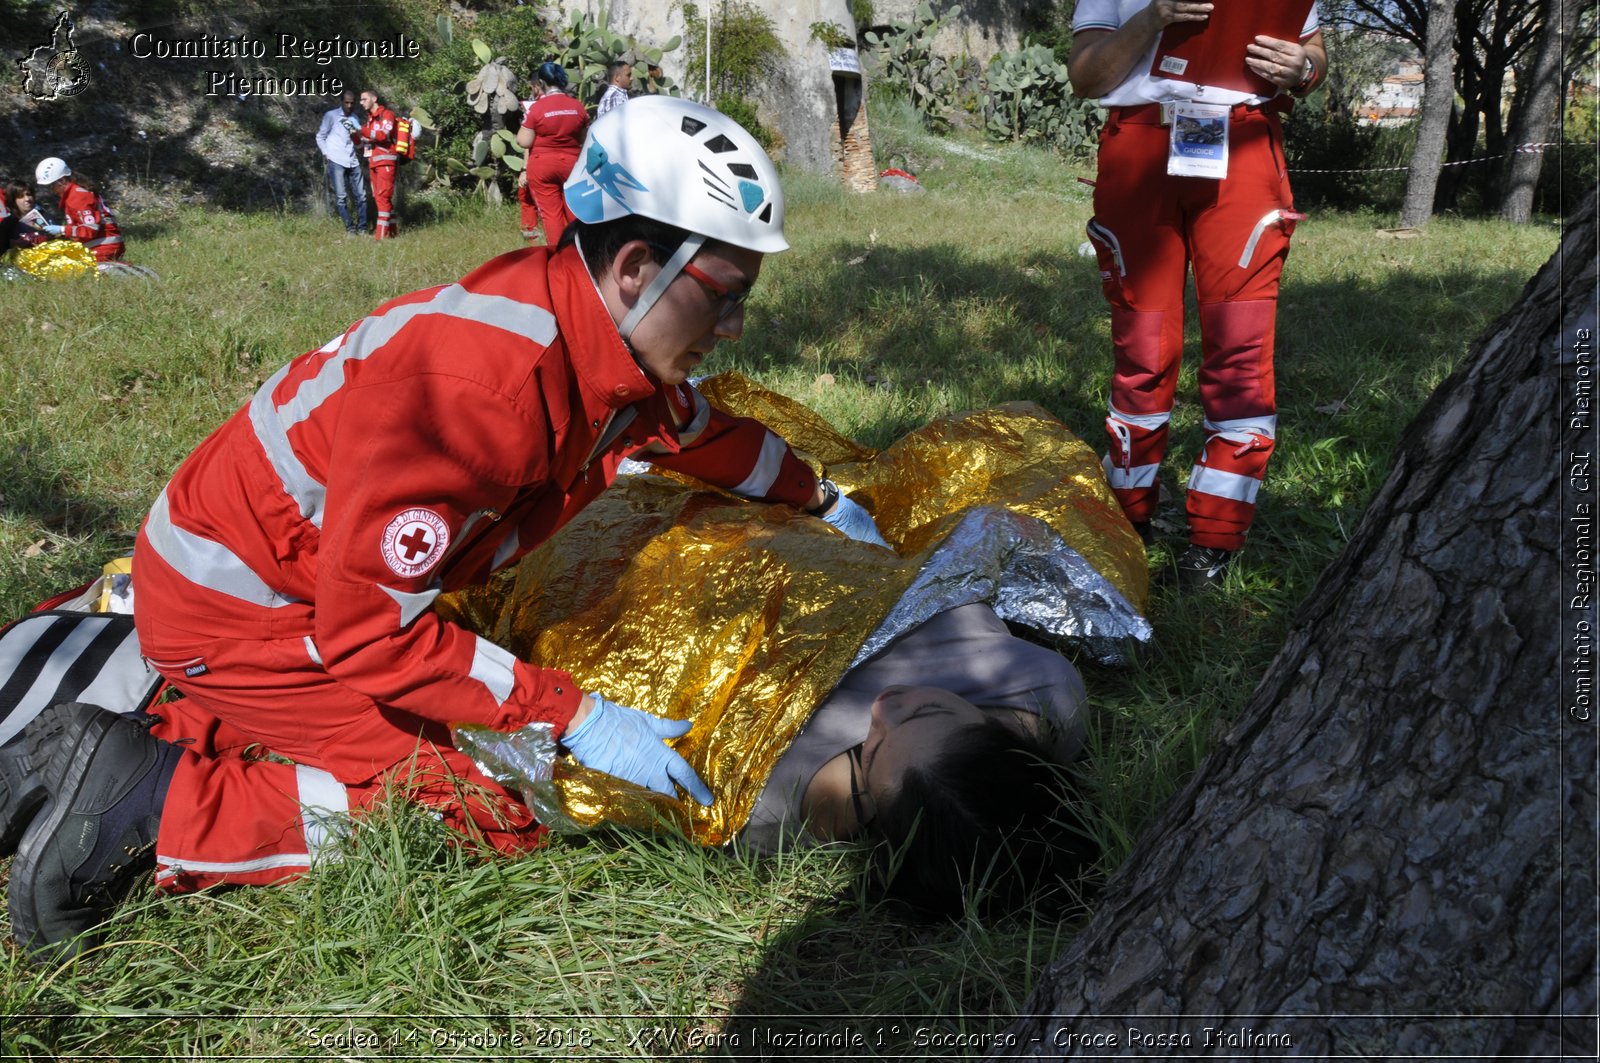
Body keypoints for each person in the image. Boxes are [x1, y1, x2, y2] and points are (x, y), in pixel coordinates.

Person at [6, 96, 889, 961]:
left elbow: (707, 436)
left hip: (286, 584)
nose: (732, 328)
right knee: (481, 802)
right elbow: (369, 634)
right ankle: (150, 803)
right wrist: (569, 712)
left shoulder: (595, 338)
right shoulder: (486, 395)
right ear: (634, 267)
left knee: (455, 715)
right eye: (726, 296)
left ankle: (117, 745)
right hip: (242, 608)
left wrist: (819, 498)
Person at [1069, 1, 1326, 588]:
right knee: (1143, 346)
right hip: (1141, 142)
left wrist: (1302, 70)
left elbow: (1315, 58)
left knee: (1241, 350)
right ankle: (1129, 519)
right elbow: (1086, 76)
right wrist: (1153, 16)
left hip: (1245, 143)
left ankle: (1215, 537)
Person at [515, 62, 587, 246]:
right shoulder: (577, 107)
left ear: (541, 82)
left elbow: (523, 141)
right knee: (574, 209)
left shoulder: (537, 108)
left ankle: (559, 254)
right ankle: (579, 249)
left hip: (543, 164)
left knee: (550, 214)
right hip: (572, 164)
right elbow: (584, 138)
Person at [33, 157, 124, 261]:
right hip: (99, 246)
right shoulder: (74, 195)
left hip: (104, 248)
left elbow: (89, 230)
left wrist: (62, 229)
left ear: (62, 180)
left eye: (51, 186)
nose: (51, 190)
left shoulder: (78, 197)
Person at [316, 91, 369, 237]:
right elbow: (320, 136)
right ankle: (350, 228)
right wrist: (327, 153)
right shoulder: (331, 116)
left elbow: (357, 140)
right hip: (336, 160)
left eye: (352, 103)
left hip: (352, 160)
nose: (349, 105)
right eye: (347, 102)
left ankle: (363, 228)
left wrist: (364, 148)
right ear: (341, 102)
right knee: (341, 197)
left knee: (362, 196)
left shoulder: (355, 118)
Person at [356, 89, 399, 240]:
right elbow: (365, 149)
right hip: (374, 163)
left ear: (374, 99)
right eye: (361, 100)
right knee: (380, 198)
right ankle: (393, 233)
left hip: (386, 161)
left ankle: (380, 237)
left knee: (382, 197)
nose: (361, 103)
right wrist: (355, 136)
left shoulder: (387, 115)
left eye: (364, 99)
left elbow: (383, 135)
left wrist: (361, 129)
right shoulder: (369, 120)